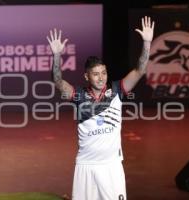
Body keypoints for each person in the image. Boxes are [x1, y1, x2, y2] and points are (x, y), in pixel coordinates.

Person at [47, 16, 155, 200]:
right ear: (87, 77)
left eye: (103, 73)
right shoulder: (78, 95)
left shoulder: (117, 90)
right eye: (95, 74)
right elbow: (57, 81)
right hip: (85, 165)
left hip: (111, 165)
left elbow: (140, 71)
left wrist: (146, 42)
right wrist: (56, 55)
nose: (101, 77)